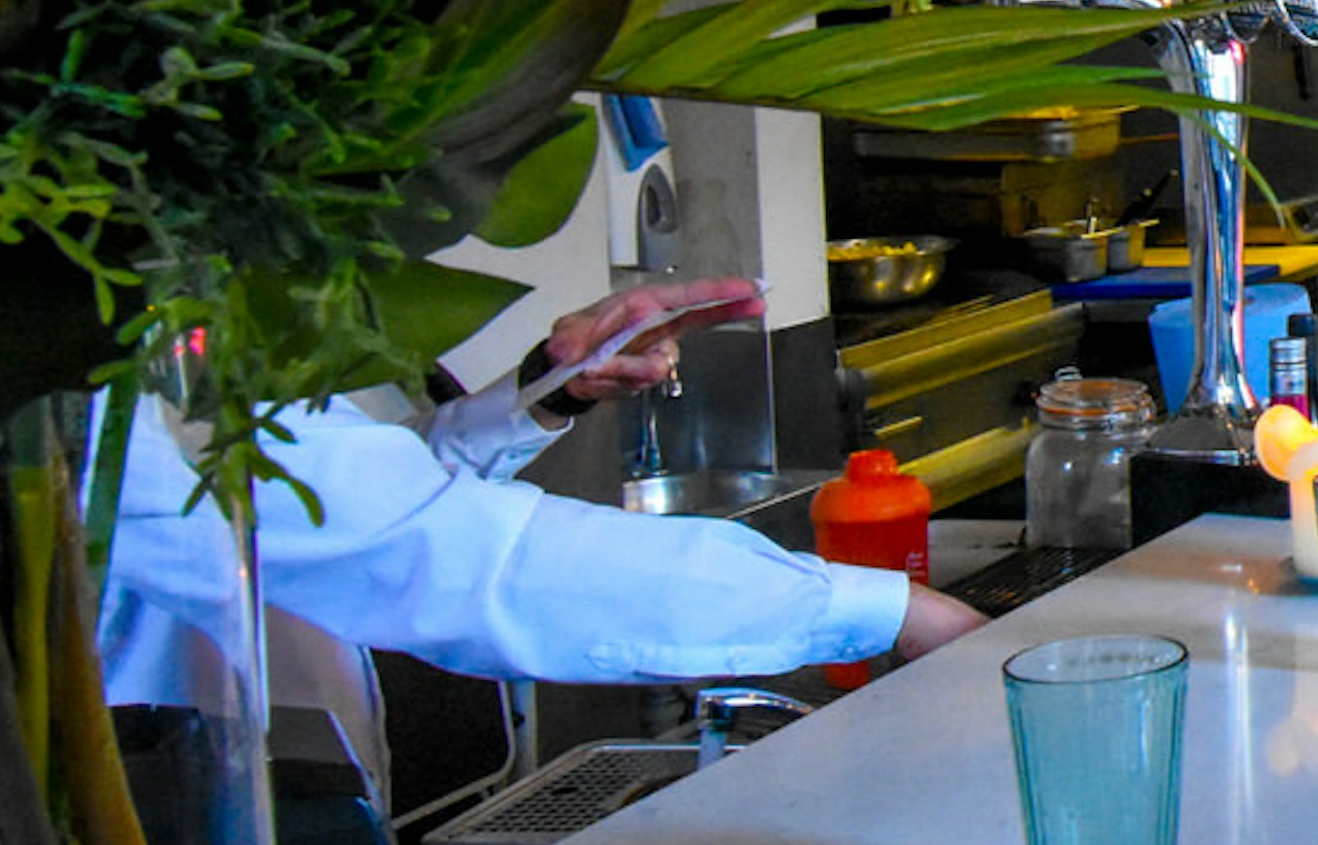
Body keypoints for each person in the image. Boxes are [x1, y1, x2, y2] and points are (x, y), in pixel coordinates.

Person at [101, 278, 990, 790]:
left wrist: (541, 393)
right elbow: (456, 552)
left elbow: (350, 486)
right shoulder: (91, 378)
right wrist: (890, 607)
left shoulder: (168, 308)